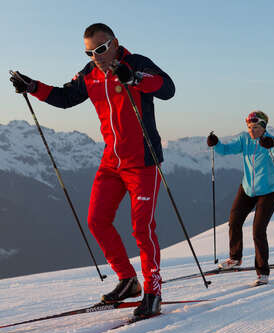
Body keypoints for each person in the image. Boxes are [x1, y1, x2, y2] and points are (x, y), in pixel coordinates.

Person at [9, 23, 175, 318]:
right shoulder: (90, 73)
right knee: (97, 221)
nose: (96, 56)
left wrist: (135, 78)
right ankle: (128, 281)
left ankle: (153, 292)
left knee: (142, 229)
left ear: (115, 42)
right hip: (111, 162)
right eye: (89, 52)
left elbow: (167, 89)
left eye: (100, 49)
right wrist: (33, 87)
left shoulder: (135, 62)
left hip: (143, 162)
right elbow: (65, 98)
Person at [207, 111, 274, 286]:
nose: (252, 130)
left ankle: (262, 273)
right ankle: (235, 258)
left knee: (258, 231)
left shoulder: (268, 141)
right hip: (247, 188)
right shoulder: (244, 139)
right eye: (250, 127)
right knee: (234, 220)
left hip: (267, 191)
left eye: (256, 127)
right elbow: (226, 150)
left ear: (263, 127)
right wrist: (216, 144)